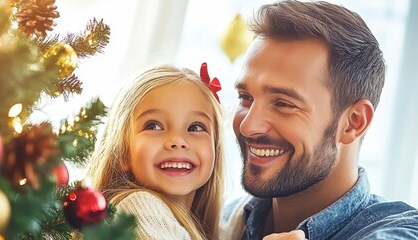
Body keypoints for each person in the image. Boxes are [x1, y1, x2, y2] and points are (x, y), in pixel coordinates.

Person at [220, 1, 418, 240]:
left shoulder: (400, 232)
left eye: (283, 104)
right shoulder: (223, 221)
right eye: (246, 98)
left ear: (354, 122)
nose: (247, 126)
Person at [86, 63, 225, 240]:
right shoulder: (138, 207)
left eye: (195, 127)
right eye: (154, 126)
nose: (178, 141)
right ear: (122, 152)